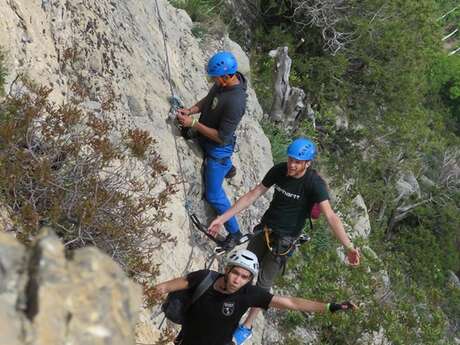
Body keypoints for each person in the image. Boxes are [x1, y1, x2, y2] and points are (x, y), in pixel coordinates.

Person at [208, 137, 361, 344]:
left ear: (308, 163)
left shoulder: (314, 184)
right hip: (265, 230)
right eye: (290, 159)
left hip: (284, 241)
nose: (292, 165)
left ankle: (247, 325)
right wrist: (222, 218)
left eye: (297, 162)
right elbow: (254, 194)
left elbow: (331, 216)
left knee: (263, 284)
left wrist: (349, 247)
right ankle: (229, 307)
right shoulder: (279, 170)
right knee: (243, 268)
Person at [153, 249, 357, 345]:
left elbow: (291, 302)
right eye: (235, 273)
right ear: (227, 269)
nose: (237, 280)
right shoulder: (203, 278)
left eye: (245, 277)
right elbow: (163, 287)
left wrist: (331, 306)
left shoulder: (249, 294)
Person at [176, 51, 247, 249]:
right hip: (206, 136)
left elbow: (221, 137)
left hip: (218, 149)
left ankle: (235, 232)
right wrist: (190, 111)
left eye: (215, 77)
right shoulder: (222, 84)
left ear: (226, 76)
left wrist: (194, 124)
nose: (213, 81)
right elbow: (208, 100)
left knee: (214, 195)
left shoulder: (236, 102)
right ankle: (229, 168)